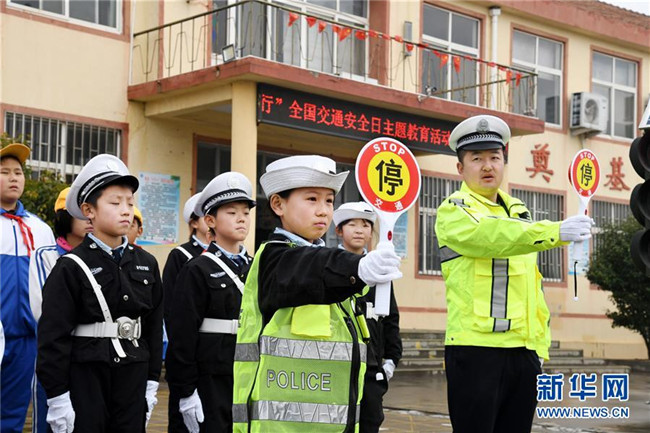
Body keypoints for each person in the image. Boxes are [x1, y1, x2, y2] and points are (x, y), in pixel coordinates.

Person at [434, 115, 594, 433]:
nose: (488, 166)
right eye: (477, 158)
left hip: (523, 353)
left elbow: (532, 286)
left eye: (495, 157)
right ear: (460, 168)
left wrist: (538, 347)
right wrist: (555, 231)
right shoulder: (454, 210)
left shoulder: (519, 211)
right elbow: (492, 234)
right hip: (476, 350)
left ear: (504, 162)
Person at [232, 155, 403, 433]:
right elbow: (308, 268)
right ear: (278, 204)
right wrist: (358, 267)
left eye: (329, 201)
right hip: (280, 427)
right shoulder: (274, 258)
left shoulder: (323, 260)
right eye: (312, 199)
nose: (323, 211)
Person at [36, 154, 163, 433]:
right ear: (88, 210)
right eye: (115, 203)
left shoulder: (147, 263)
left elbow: (153, 327)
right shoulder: (71, 266)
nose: (126, 210)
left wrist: (152, 381)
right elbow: (52, 337)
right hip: (86, 378)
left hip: (133, 375)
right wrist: (58, 397)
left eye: (130, 202)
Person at [166, 172, 255, 433]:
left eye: (246, 212)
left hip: (246, 375)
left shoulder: (255, 268)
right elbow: (182, 336)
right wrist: (186, 391)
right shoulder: (197, 269)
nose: (241, 218)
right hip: (209, 377)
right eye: (232, 212)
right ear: (210, 221)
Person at [28, 187, 93, 433]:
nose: (89, 219)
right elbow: (42, 310)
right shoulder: (45, 256)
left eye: (92, 212)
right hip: (56, 354)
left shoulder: (101, 259)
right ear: (64, 217)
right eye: (81, 213)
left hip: (91, 357)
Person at [333, 202, 402, 433]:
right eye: (352, 224)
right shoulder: (329, 265)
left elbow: (390, 318)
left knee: (370, 422)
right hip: (338, 365)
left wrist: (391, 359)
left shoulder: (381, 271)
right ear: (339, 230)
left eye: (365, 225)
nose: (359, 230)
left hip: (372, 368)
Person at [0, 143, 55, 433]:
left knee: (14, 412)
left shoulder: (40, 229)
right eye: (4, 172)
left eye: (18, 172)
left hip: (26, 340)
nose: (13, 177)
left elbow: (51, 285)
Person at [163, 192, 211, 433]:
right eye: (206, 215)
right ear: (193, 222)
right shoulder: (181, 256)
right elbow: (172, 309)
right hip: (189, 350)